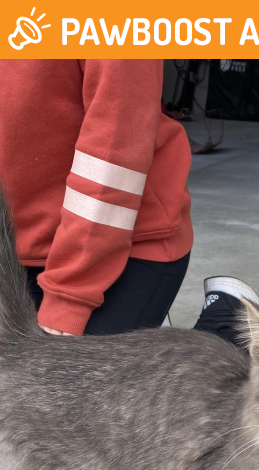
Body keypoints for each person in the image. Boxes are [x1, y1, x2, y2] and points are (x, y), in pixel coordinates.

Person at [0, 59, 193, 336]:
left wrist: (69, 297)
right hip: (15, 242)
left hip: (123, 237)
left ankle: (223, 323)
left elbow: (113, 150)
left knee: (59, 377)